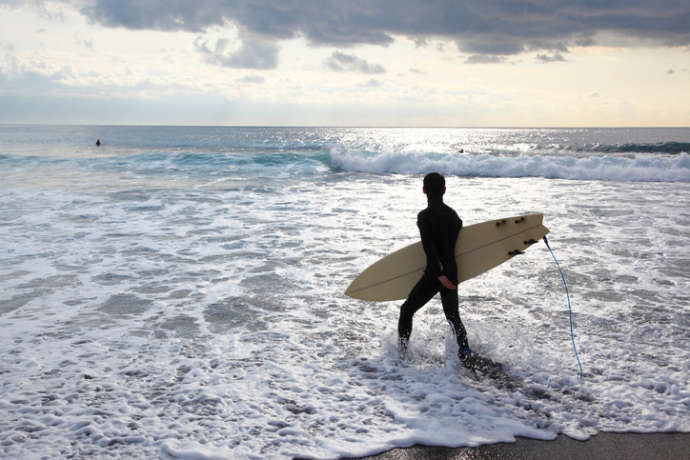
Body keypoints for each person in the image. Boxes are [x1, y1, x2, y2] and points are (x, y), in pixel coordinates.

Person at [398, 172, 473, 365]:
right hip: (452, 271)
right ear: (444, 190)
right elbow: (454, 243)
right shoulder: (453, 215)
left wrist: (439, 275)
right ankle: (465, 351)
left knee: (406, 310)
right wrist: (447, 275)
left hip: (435, 274)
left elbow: (430, 250)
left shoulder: (424, 217)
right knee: (453, 317)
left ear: (424, 191)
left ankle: (402, 354)